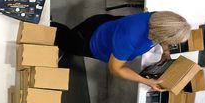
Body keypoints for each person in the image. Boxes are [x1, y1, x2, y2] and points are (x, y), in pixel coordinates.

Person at [54, 10, 192, 88]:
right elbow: (116, 69)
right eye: (171, 42)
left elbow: (162, 36)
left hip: (108, 25)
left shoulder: (159, 20)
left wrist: (166, 52)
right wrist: (147, 82)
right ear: (162, 34)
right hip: (88, 40)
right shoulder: (130, 39)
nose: (171, 44)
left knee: (69, 35)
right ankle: (50, 28)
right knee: (67, 41)